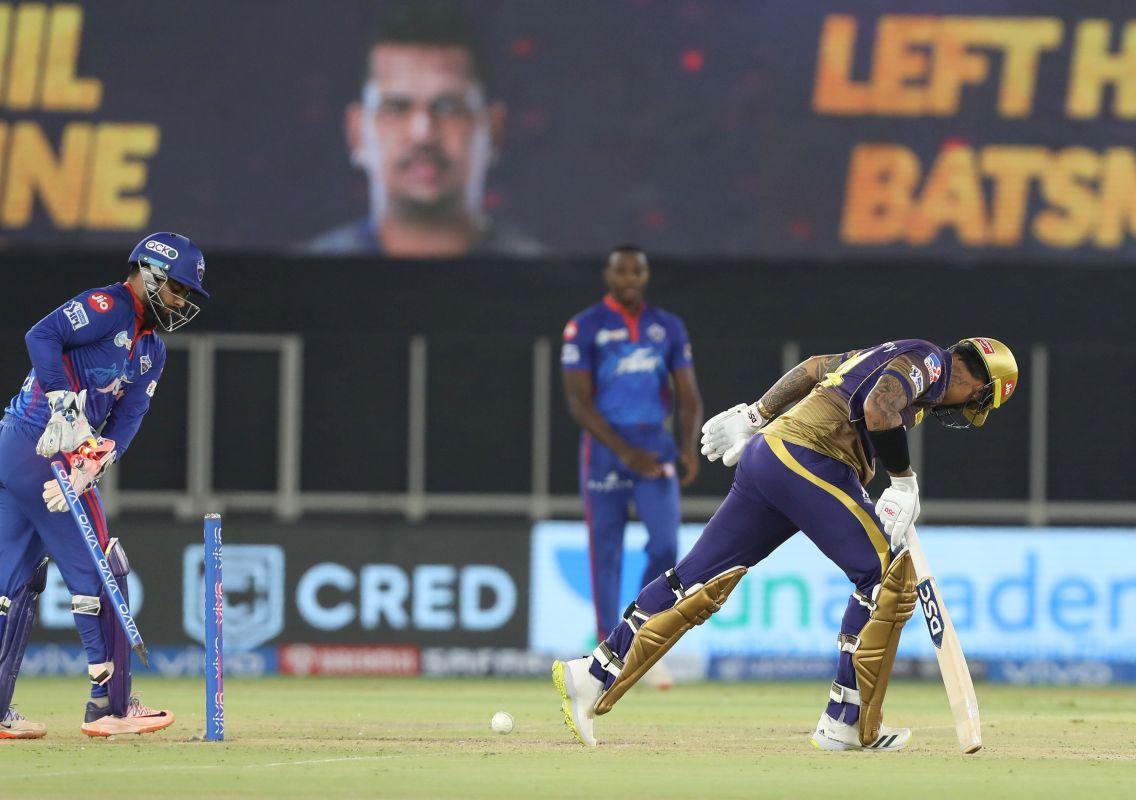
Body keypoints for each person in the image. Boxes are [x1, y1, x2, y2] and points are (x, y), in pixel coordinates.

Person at [553, 337, 1019, 751]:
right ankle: (847, 723)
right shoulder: (932, 365)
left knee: (695, 581)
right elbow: (879, 409)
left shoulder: (892, 355)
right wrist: (903, 482)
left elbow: (816, 367)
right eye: (976, 400)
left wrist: (755, 416)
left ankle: (593, 674)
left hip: (770, 455)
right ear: (980, 388)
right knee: (886, 580)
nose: (963, 405)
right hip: (810, 460)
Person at [0, 232, 210, 739]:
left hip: (36, 454)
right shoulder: (107, 305)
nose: (181, 302)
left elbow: (129, 415)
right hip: (36, 442)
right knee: (101, 569)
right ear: (151, 274)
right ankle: (109, 706)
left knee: (11, 575)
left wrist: (96, 460)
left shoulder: (152, 352)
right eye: (179, 289)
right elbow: (40, 336)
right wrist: (62, 401)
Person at [561, 244, 703, 689]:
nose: (629, 278)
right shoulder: (585, 326)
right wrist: (625, 453)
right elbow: (579, 404)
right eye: (621, 271)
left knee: (665, 548)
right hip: (605, 449)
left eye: (636, 271)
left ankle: (638, 642)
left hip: (653, 446)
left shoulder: (667, 326)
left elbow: (688, 395)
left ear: (645, 276)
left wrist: (687, 447)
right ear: (608, 275)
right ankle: (607, 656)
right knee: (606, 554)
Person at [301, 1, 542, 258]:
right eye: (396, 107)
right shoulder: (296, 285)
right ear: (356, 132)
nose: (423, 133)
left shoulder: (549, 285)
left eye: (448, 107)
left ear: (494, 129)